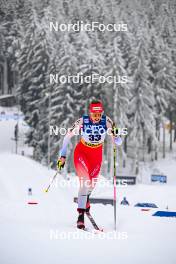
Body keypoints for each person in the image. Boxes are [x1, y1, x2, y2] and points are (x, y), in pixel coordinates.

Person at [57, 100, 122, 229]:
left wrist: (116, 136)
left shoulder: (107, 121)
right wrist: (62, 156)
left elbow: (119, 141)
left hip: (96, 157)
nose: (97, 118)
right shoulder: (83, 121)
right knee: (85, 182)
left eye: (99, 115)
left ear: (102, 113)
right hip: (82, 153)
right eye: (94, 115)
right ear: (90, 113)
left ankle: (85, 202)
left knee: (90, 187)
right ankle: (80, 216)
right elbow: (67, 137)